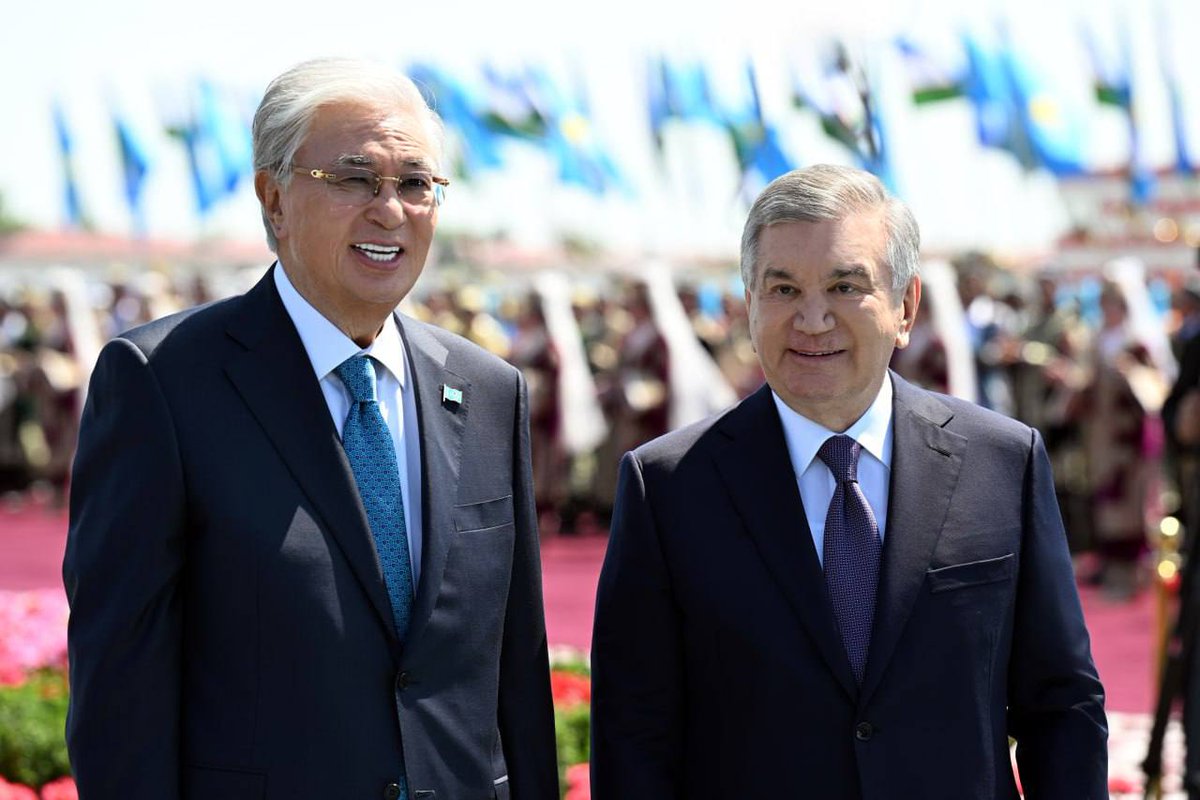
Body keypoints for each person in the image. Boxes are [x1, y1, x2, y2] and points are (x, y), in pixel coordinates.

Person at [63, 58, 559, 800]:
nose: (390, 209)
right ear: (274, 202)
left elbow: (515, 674)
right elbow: (119, 690)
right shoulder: (163, 383)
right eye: (355, 180)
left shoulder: (489, 391)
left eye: (416, 183)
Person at [590, 164, 1108, 799]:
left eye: (844, 286)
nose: (812, 319)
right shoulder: (667, 486)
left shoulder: (1002, 462)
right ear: (749, 306)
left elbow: (1062, 705)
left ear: (905, 307)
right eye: (782, 290)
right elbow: (633, 733)